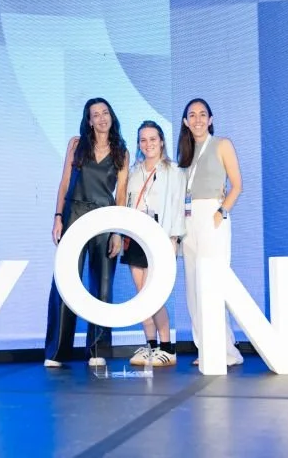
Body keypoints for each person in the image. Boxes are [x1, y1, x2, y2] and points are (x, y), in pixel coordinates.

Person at [44, 97, 129, 368]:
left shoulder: (122, 153)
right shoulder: (76, 145)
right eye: (96, 114)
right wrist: (58, 217)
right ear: (89, 120)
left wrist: (117, 231)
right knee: (65, 284)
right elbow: (64, 182)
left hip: (105, 220)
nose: (102, 118)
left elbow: (122, 196)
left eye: (106, 112)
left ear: (111, 117)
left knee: (102, 285)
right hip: (74, 215)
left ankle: (97, 350)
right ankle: (57, 352)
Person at [178, 98, 244, 367]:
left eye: (202, 114)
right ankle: (206, 348)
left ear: (211, 119)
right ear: (185, 121)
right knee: (193, 288)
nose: (197, 119)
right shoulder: (185, 151)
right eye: (192, 115)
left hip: (212, 218)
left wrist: (221, 213)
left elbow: (237, 185)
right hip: (188, 221)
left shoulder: (222, 145)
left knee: (212, 285)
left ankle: (226, 351)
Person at [121, 121, 186, 367]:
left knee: (154, 295)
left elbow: (178, 208)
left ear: (161, 141)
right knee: (141, 296)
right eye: (143, 140)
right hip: (136, 237)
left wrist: (173, 240)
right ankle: (151, 346)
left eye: (152, 139)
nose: (148, 144)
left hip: (160, 236)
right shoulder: (134, 171)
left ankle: (168, 347)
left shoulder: (174, 171)